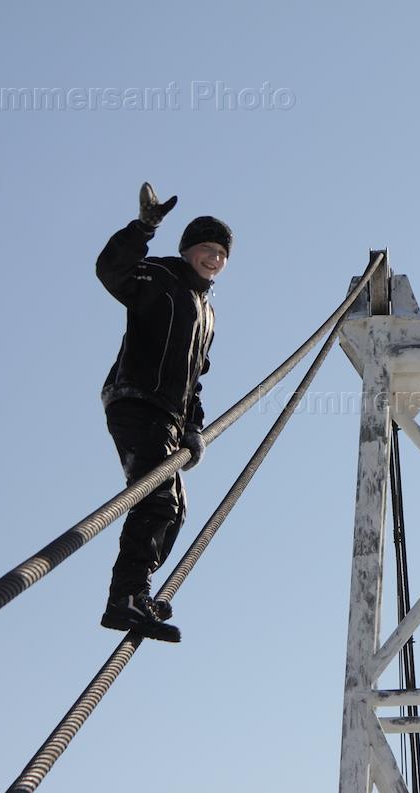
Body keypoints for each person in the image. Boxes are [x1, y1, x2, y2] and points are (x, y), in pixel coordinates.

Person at [95, 182, 231, 642]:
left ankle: (139, 592)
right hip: (136, 399)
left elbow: (196, 378)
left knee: (175, 509)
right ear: (188, 250)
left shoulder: (207, 313)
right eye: (207, 249)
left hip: (169, 417)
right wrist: (143, 228)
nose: (214, 258)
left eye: (222, 254)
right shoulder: (161, 277)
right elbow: (112, 271)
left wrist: (193, 427)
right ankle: (126, 597)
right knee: (157, 499)